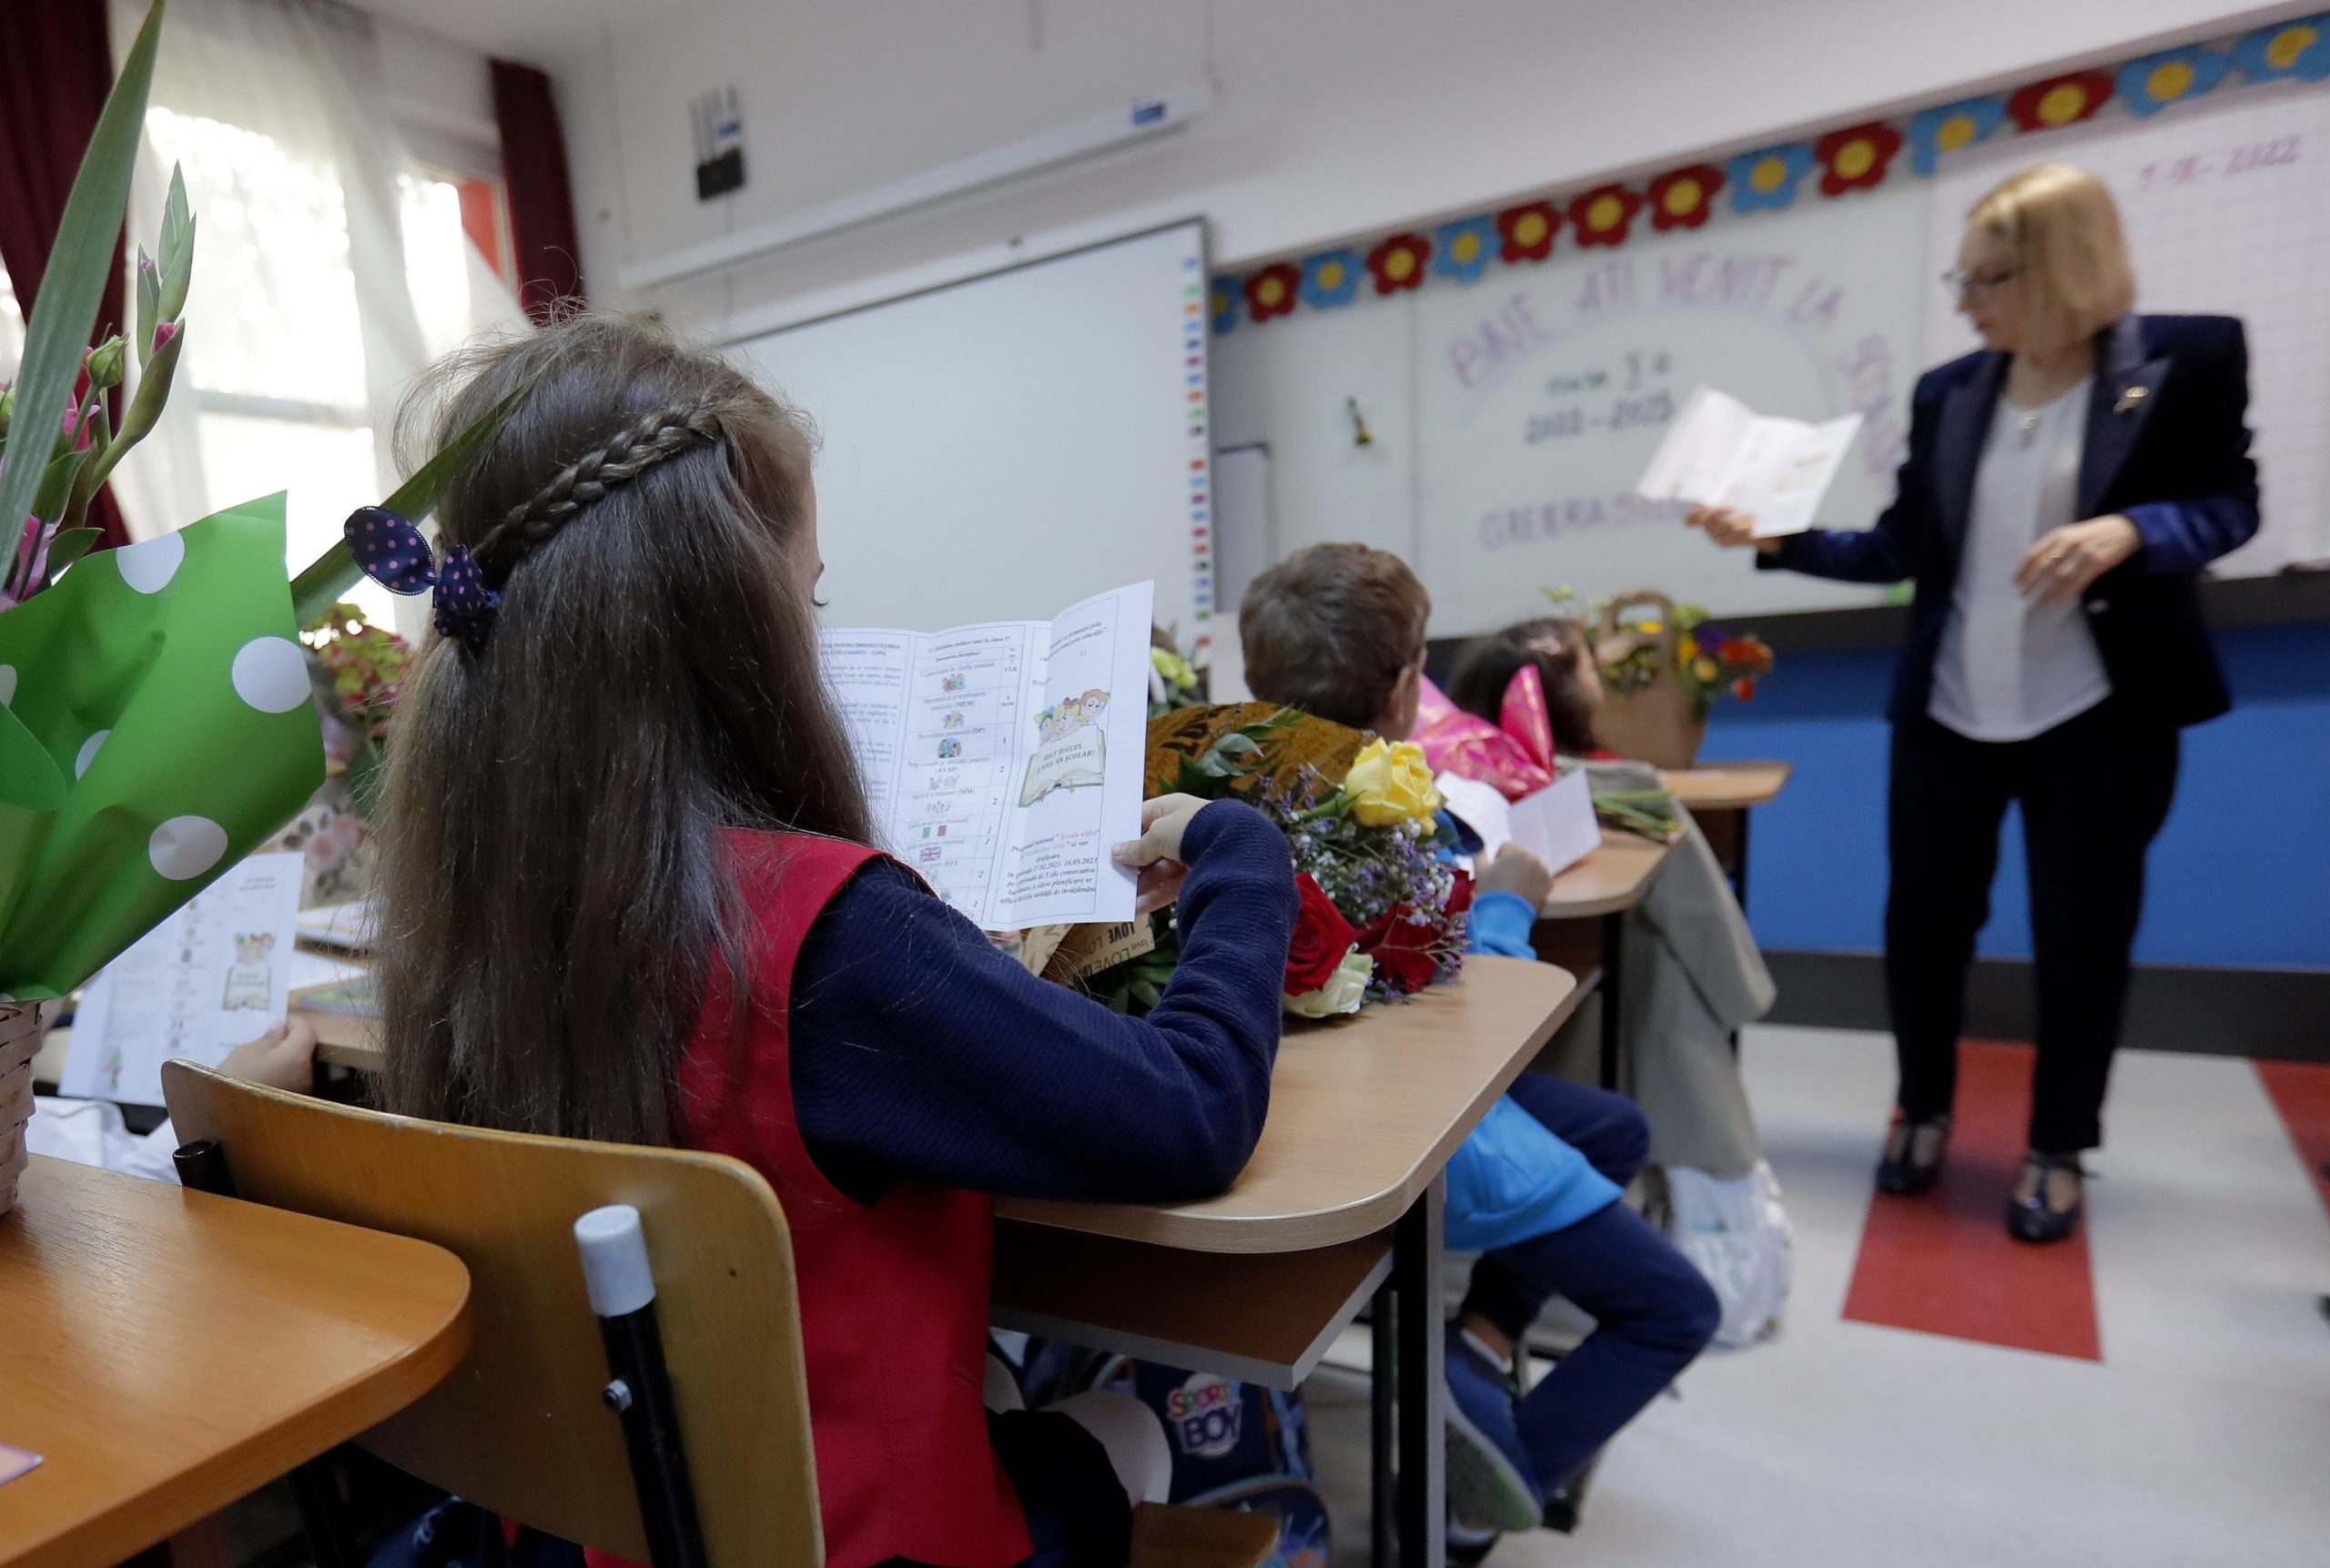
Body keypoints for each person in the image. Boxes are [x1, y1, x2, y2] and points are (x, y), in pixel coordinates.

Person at [366, 314, 1299, 1568]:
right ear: (732, 623)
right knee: (1127, 1425)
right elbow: (1191, 1109)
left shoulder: (463, 904)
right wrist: (1243, 853)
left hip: (598, 1527)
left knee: (1002, 1394)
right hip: (846, 1537)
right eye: (807, 596)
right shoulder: (822, 932)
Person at [1687, 162, 2258, 1242]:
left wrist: (2134, 531)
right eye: (1961, 277)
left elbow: (2231, 503)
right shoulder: (1951, 391)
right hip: (1950, 711)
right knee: (1922, 929)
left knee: (2083, 938)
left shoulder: (2187, 359)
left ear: (2064, 269)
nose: (1966, 301)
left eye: (1989, 279)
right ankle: (1922, 1108)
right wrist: (1776, 538)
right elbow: (1902, 546)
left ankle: (2058, 1145)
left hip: (2099, 713)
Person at [1240, 543, 1718, 1540]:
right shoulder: (1386, 815)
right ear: (1407, 689)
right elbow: (1459, 1015)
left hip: (1328, 1107)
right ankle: (1475, 1495)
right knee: (1676, 1308)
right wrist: (1507, 903)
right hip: (1424, 1122)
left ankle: (1481, 1343)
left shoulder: (1245, 792)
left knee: (1614, 1129)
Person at [1444, 616, 1614, 762]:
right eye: (1590, 670)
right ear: (1565, 699)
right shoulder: (1601, 774)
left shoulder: (1461, 773)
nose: (1599, 684)